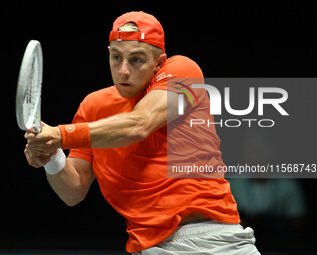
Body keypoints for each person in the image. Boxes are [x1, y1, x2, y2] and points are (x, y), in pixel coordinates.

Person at [24, 11, 260, 254]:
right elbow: (74, 191)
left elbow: (140, 124)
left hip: (214, 239)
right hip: (148, 247)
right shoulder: (92, 107)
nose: (123, 70)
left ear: (159, 63)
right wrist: (52, 156)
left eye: (136, 60)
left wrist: (60, 135)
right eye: (116, 57)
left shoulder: (184, 71)